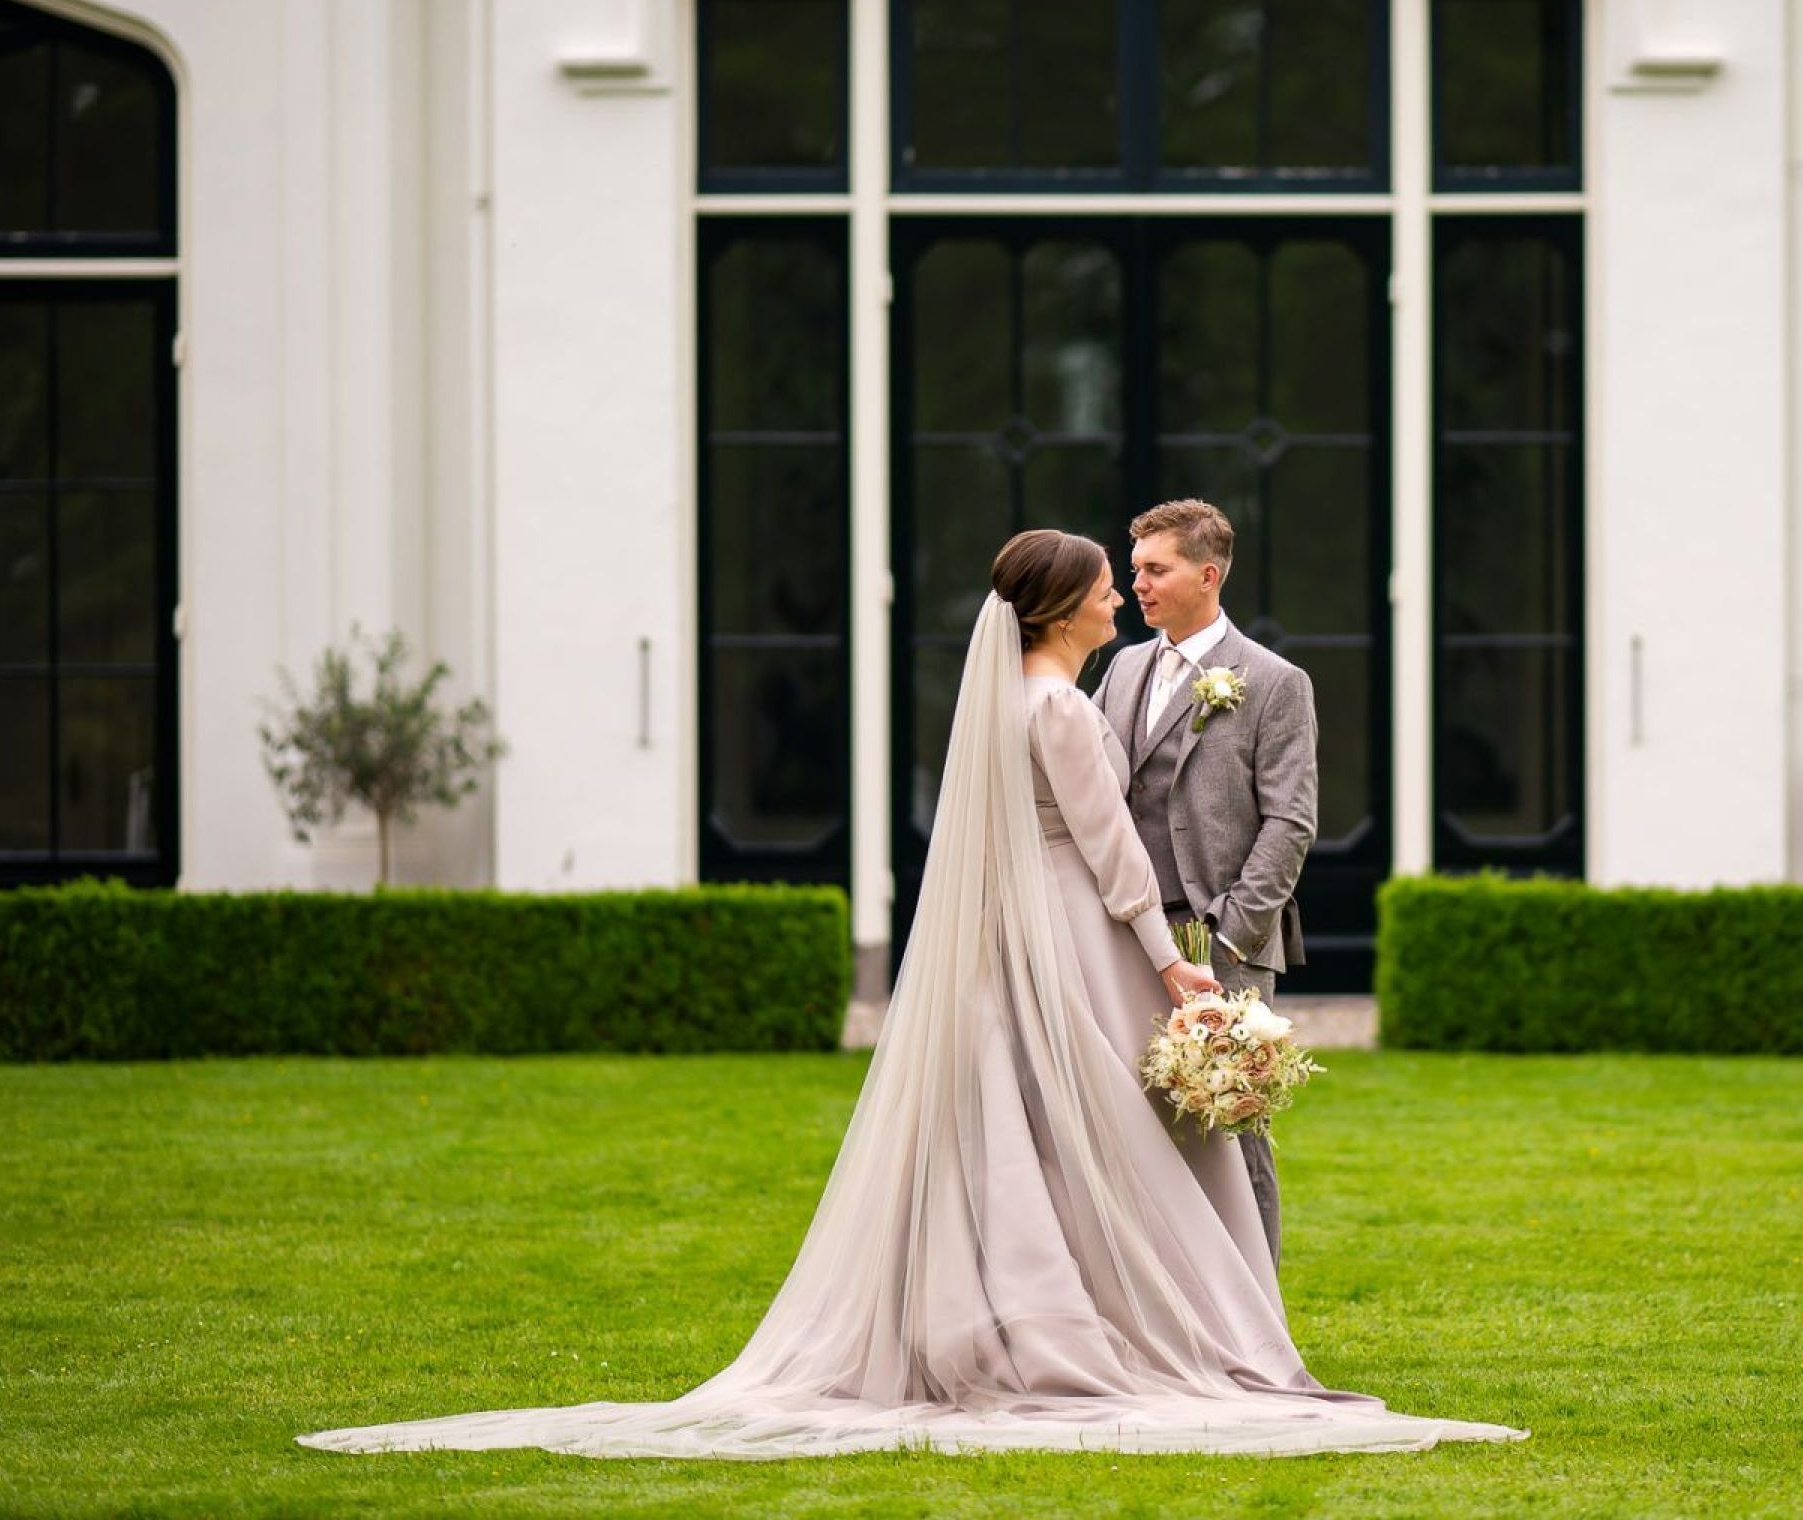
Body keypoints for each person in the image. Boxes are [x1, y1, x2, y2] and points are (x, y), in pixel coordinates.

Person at [296, 531, 1524, 1459]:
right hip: (1095, 934)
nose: (1121, 596)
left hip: (1033, 934)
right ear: (1066, 607)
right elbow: (1111, 856)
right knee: (1118, 1135)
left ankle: (1075, 1315)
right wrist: (1174, 965)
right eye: (1108, 582)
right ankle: (1175, 1333)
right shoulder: (1069, 706)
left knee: (1048, 1136)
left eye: (1135, 574)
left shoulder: (1021, 698)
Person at [1099, 498, 1309, 1265]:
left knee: (1232, 1131)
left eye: (1156, 570)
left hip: (1225, 946)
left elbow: (1291, 822)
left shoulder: (1275, 682)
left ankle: (1260, 1322)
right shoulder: (1123, 668)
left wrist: (1227, 938)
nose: (1139, 587)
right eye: (1135, 571)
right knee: (1131, 1128)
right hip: (1128, 938)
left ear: (1207, 574)